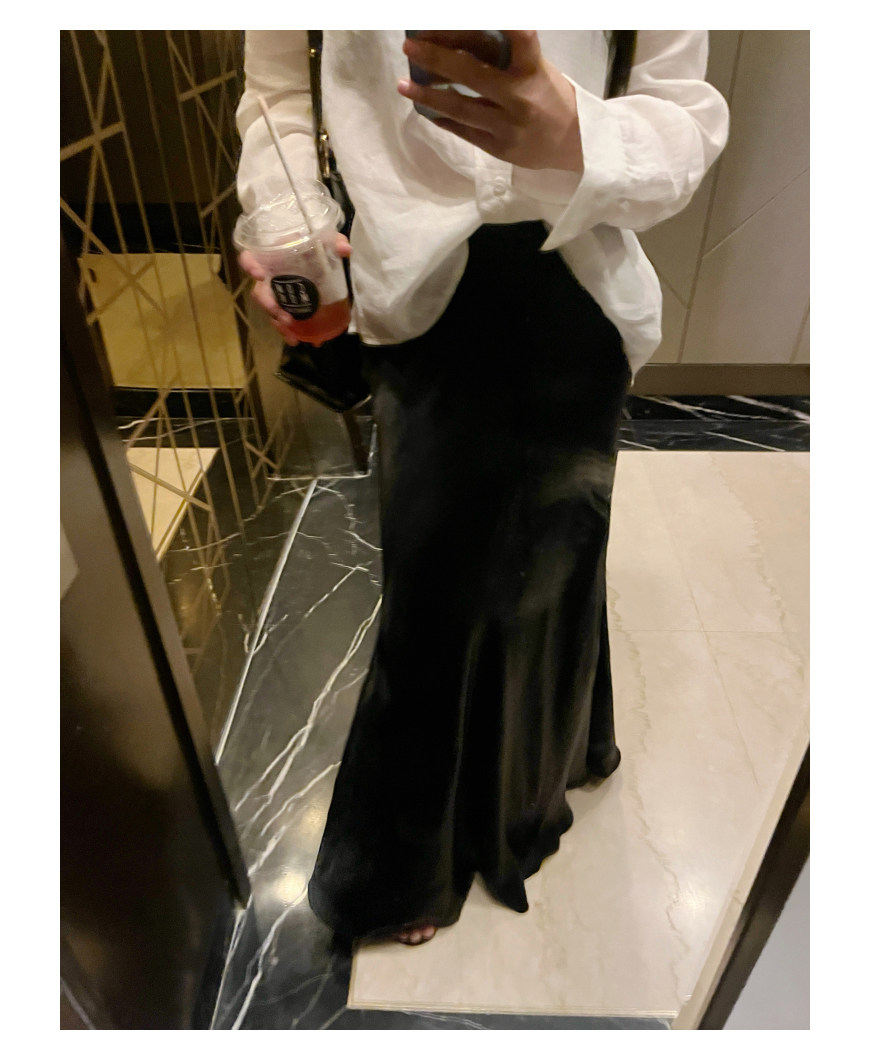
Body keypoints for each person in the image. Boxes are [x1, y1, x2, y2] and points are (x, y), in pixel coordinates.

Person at [236, 30, 729, 945]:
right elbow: (276, 96)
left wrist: (575, 132)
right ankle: (410, 863)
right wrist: (285, 227)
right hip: (412, 287)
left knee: (556, 566)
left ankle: (539, 774)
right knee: (431, 595)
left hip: (578, 285)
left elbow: (684, 126)